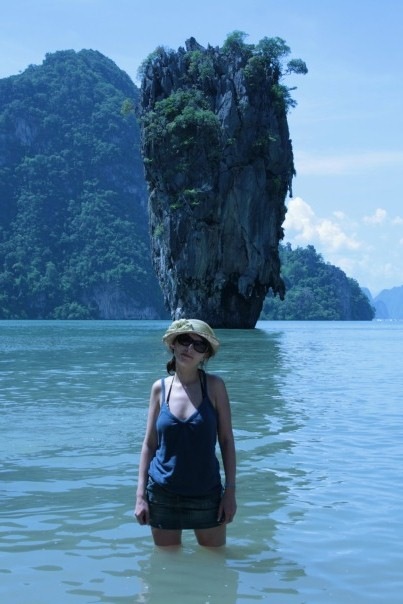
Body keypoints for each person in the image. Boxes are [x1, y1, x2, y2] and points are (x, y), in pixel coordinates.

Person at [135, 318, 237, 547]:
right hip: (162, 493)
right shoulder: (160, 389)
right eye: (184, 340)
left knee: (215, 562)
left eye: (199, 345)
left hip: (206, 493)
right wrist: (140, 496)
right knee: (166, 565)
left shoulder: (215, 387)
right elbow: (149, 444)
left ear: (205, 355)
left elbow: (227, 441)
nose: (189, 348)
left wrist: (230, 492)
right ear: (173, 344)